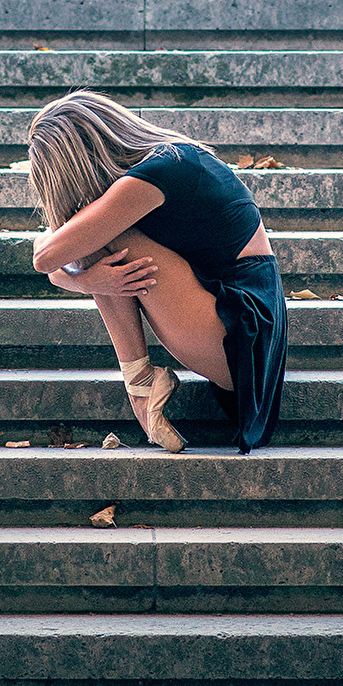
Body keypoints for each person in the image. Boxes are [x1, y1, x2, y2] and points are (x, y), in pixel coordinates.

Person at [27, 90, 287, 453]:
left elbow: (46, 259)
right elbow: (58, 260)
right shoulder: (170, 159)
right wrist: (89, 279)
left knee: (97, 234)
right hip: (234, 327)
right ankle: (141, 385)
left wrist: (79, 273)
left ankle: (139, 389)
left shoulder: (156, 174)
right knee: (91, 238)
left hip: (238, 328)